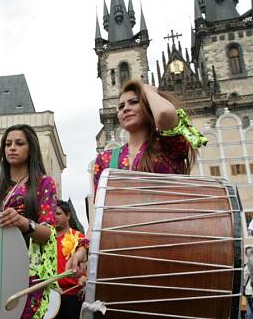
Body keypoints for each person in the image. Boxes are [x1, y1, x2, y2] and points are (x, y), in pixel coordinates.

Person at [67, 80, 206, 276]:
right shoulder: (105, 159)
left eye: (133, 102)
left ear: (148, 105)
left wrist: (147, 89)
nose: (126, 109)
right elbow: (100, 214)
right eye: (121, 106)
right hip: (122, 253)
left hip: (169, 245)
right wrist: (83, 249)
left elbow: (165, 114)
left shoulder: (168, 146)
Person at [0, 124, 58, 319]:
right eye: (7, 144)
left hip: (29, 269)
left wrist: (24, 223)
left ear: (31, 148)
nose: (12, 148)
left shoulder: (44, 183)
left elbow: (48, 234)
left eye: (19, 143)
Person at [54, 200, 85, 319]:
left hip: (72, 296)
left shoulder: (79, 238)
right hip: (50, 295)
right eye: (52, 214)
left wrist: (83, 277)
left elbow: (86, 264)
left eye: (58, 214)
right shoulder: (46, 238)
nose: (54, 217)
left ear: (68, 215)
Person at [244, 247, 253, 319]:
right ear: (246, 255)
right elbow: (244, 280)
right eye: (248, 253)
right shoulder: (246, 266)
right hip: (249, 292)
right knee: (249, 314)